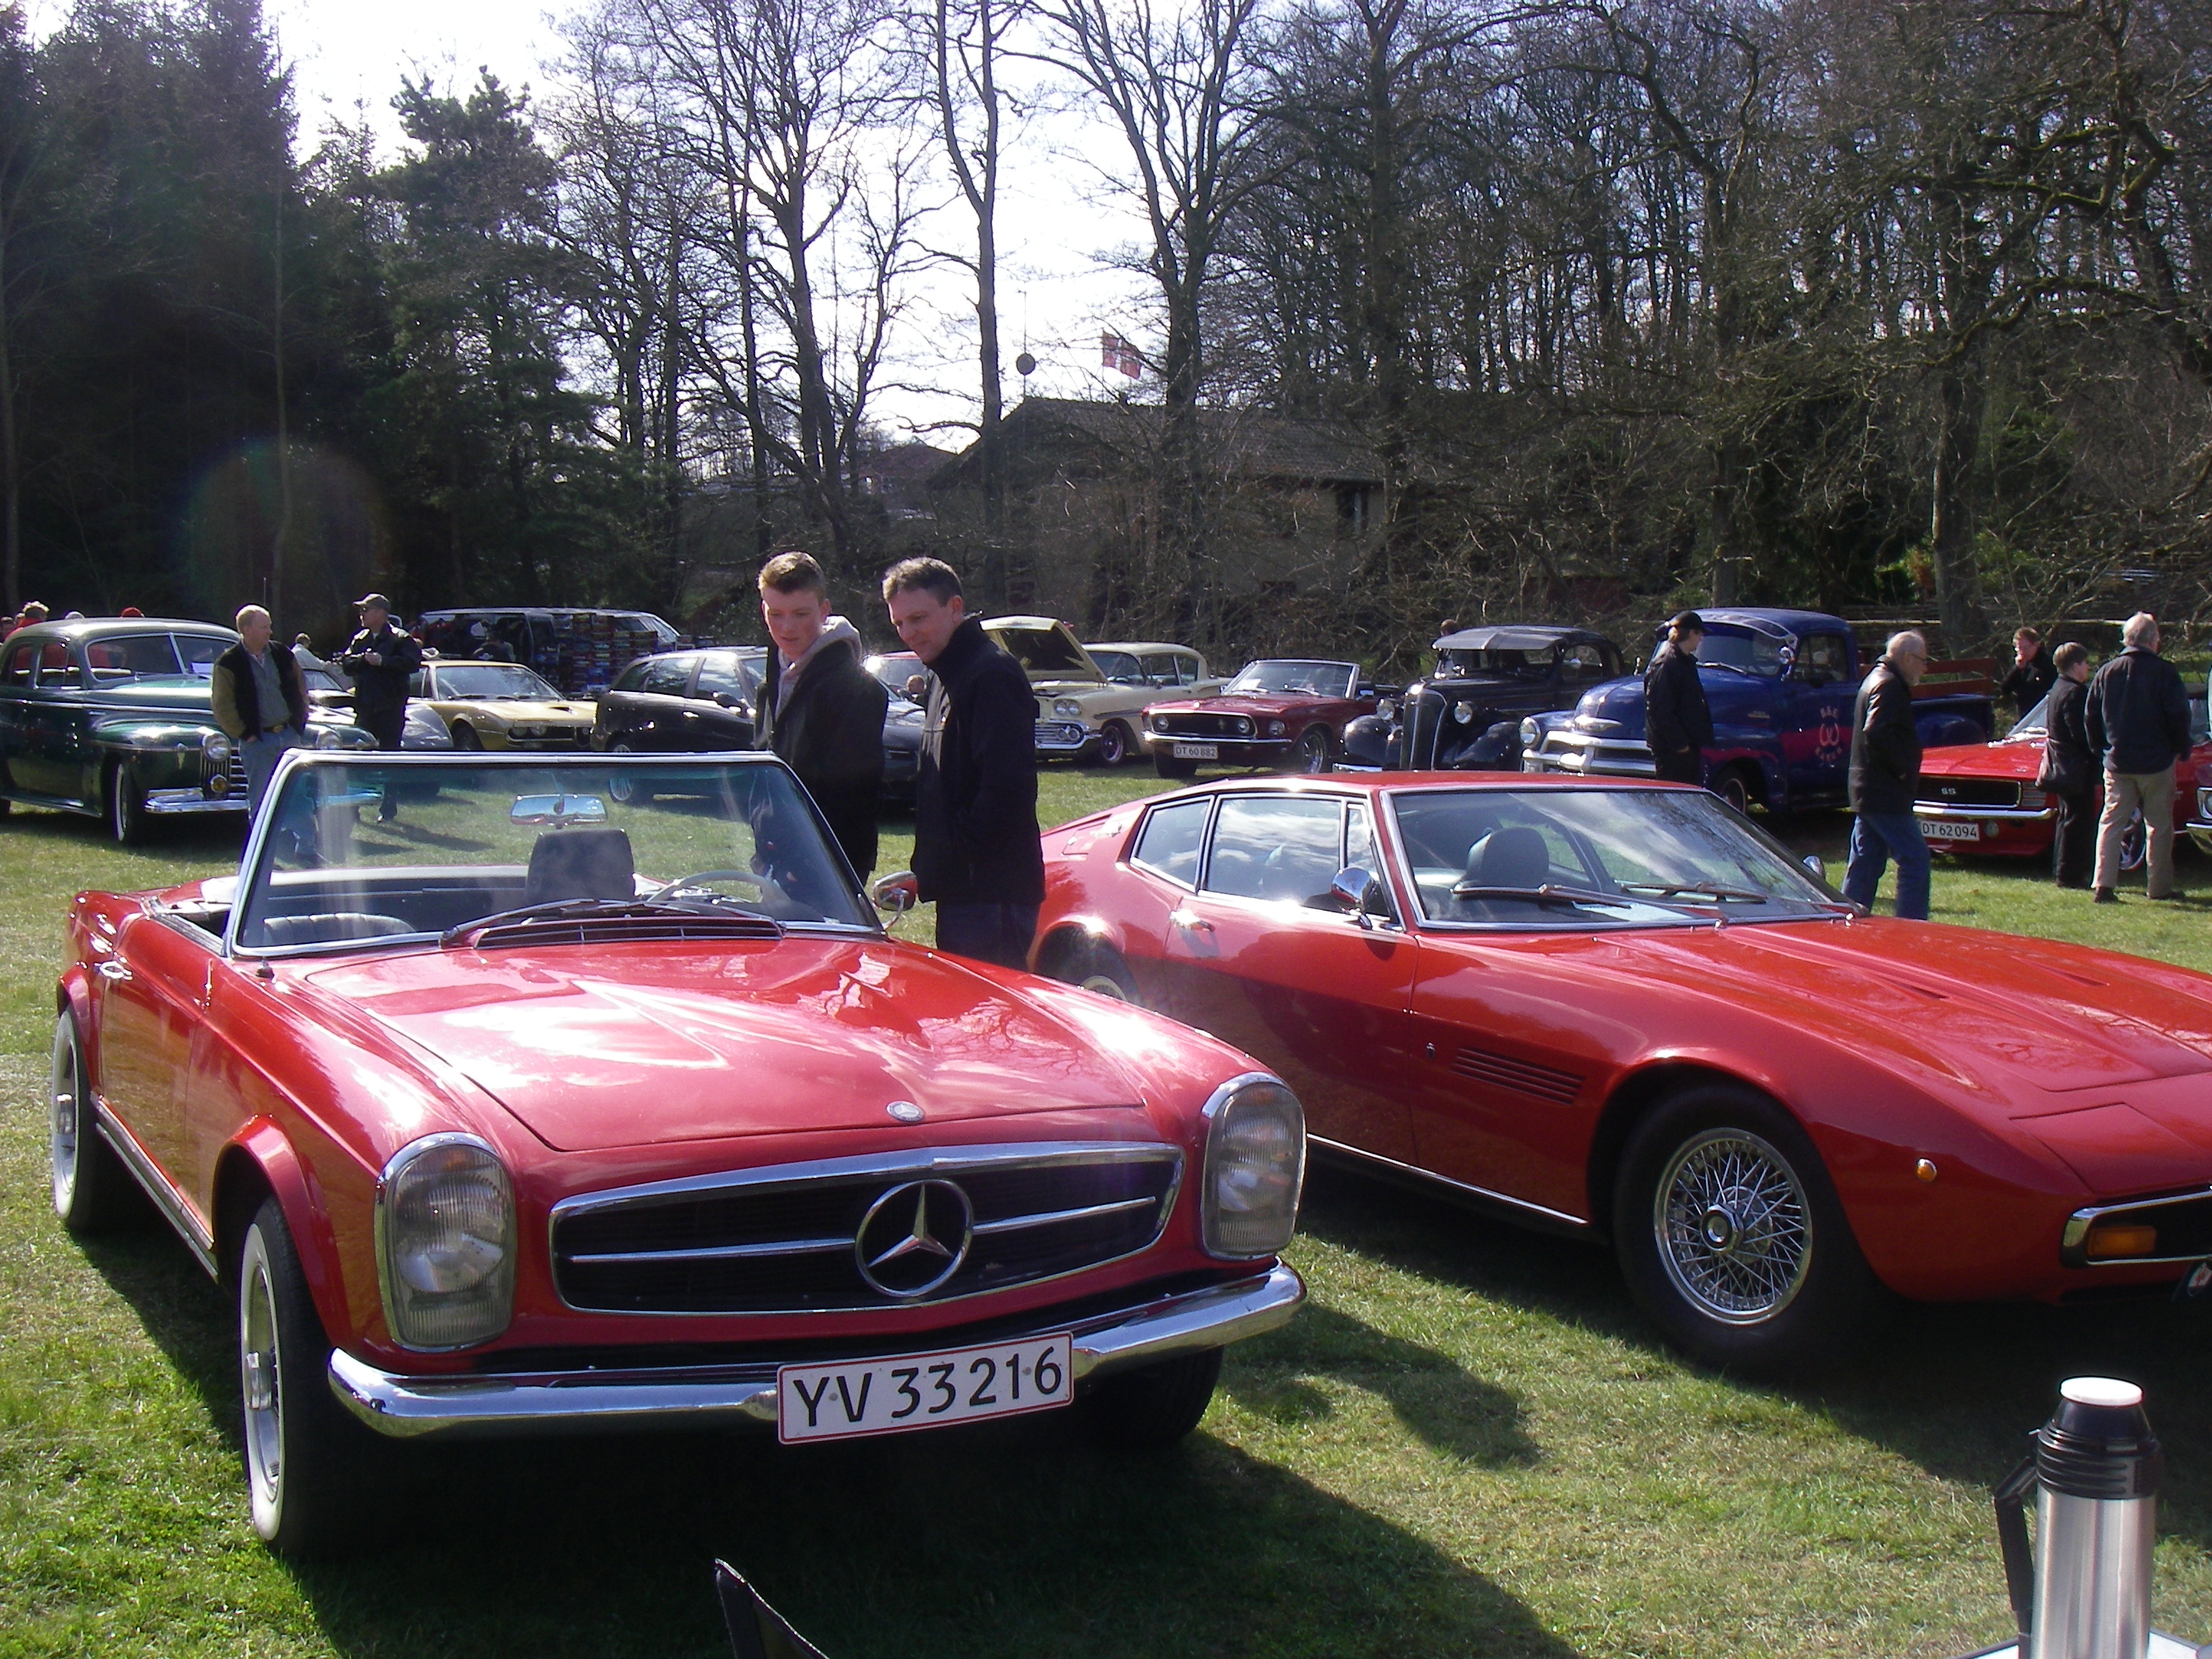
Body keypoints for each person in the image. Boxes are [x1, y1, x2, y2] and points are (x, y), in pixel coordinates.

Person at [877, 557, 1043, 968]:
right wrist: (928, 873)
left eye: (918, 618)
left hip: (993, 894)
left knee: (990, 1005)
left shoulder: (992, 674)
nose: (909, 633)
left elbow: (1005, 794)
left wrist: (942, 865)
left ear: (955, 608)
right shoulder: (943, 675)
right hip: (962, 892)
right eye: (899, 623)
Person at [752, 550, 886, 879]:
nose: (787, 627)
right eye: (776, 614)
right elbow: (762, 776)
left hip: (827, 871)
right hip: (774, 863)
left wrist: (807, 867)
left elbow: (853, 797)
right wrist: (763, 851)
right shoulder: (770, 685)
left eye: (801, 614)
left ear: (824, 610)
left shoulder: (854, 688)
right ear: (764, 611)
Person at [2084, 611, 2190, 903]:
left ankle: (2103, 884)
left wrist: (2100, 748)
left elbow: (2091, 716)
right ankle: (2159, 887)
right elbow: (2178, 716)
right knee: (2159, 826)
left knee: (2111, 822)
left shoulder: (2107, 672)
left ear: (2127, 639)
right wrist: (2181, 747)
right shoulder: (2165, 673)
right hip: (2157, 761)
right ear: (2153, 640)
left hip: (2118, 760)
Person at [1842, 629, 1932, 920]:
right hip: (1885, 792)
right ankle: (1911, 925)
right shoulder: (1889, 686)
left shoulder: (1876, 679)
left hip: (1868, 790)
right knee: (1915, 860)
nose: (1924, 668)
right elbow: (1877, 732)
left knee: (1866, 862)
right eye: (1922, 660)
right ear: (1906, 658)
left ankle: (1847, 919)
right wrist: (1903, 770)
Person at [211, 604, 309, 817]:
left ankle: (305, 840)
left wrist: (299, 722)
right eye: (264, 627)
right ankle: (262, 839)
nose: (269, 632)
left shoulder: (282, 654)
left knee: (299, 797)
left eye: (269, 626)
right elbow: (222, 705)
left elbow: (301, 684)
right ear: (247, 629)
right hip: (258, 742)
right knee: (261, 800)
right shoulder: (229, 663)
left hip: (289, 735)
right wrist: (246, 733)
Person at [338, 592, 423, 823]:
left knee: (390, 758)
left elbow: (413, 663)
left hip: (390, 709)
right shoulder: (360, 639)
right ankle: (354, 806)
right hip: (365, 708)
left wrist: (383, 661)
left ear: (380, 613)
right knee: (358, 758)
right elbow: (347, 663)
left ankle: (388, 807)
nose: (362, 614)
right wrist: (364, 660)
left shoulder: (400, 638)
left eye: (366, 610)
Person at [2041, 641, 2096, 889]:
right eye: (2085, 663)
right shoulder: (2075, 693)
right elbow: (2080, 733)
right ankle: (2070, 873)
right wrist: (2096, 748)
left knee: (2066, 817)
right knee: (2077, 819)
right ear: (2075, 665)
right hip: (2075, 765)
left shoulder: (2057, 688)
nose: (2087, 668)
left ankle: (2062, 869)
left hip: (2061, 763)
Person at [1644, 610, 1712, 786]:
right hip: (1672, 752)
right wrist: (1681, 745)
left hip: (1688, 749)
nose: (1701, 639)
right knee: (1672, 796)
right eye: (1700, 634)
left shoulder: (1686, 663)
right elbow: (1660, 710)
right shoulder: (1666, 665)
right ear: (1691, 633)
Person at [2000, 627, 2056, 719]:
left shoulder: (2047, 665)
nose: (2022, 652)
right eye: (2019, 648)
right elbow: (2005, 689)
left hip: (2042, 714)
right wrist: (2017, 669)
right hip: (2024, 715)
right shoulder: (2021, 665)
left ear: (2036, 645)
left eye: (2026, 648)